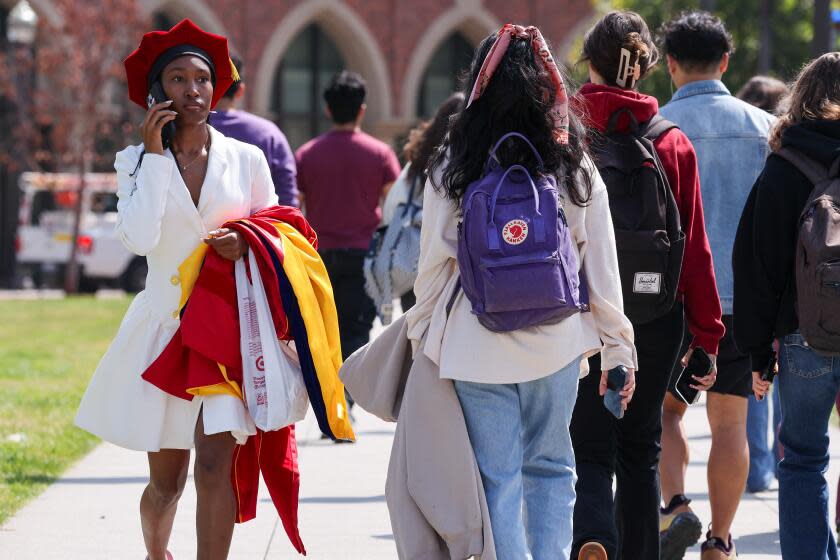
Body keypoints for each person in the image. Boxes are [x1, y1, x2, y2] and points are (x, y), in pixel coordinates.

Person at [409, 24, 638, 560]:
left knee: (497, 477)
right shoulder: (570, 160)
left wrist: (425, 338)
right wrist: (617, 348)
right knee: (554, 465)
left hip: (476, 343)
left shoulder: (453, 162)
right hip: (555, 341)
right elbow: (600, 262)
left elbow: (434, 264)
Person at [74, 19, 278, 560]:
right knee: (168, 482)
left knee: (217, 466)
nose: (193, 90)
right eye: (178, 79)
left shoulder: (247, 159)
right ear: (156, 92)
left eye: (203, 80)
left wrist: (246, 240)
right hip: (164, 333)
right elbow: (139, 239)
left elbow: (278, 232)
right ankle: (155, 552)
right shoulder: (134, 162)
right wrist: (157, 158)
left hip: (226, 333)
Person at [570, 12, 724, 560]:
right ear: (646, 68)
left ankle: (590, 537)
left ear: (589, 63)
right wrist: (706, 336)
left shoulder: (567, 138)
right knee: (640, 449)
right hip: (656, 316)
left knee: (587, 448)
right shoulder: (672, 144)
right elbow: (696, 250)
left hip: (582, 316)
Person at [657, 12, 775, 559]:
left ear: (669, 65)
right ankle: (722, 540)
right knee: (732, 422)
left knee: (667, 412)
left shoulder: (653, 129)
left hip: (672, 302)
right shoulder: (761, 128)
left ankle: (675, 505)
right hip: (742, 303)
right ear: (726, 61)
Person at [734, 51, 840, 560]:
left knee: (801, 458)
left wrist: (759, 353)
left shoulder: (783, 166)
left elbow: (757, 264)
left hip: (804, 335)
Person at [295, 71, 401, 368]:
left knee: (322, 330)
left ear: (328, 109)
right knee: (356, 333)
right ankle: (348, 402)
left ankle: (330, 400)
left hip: (320, 255)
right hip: (363, 254)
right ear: (362, 110)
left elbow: (294, 206)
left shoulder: (306, 153)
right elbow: (394, 204)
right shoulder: (381, 153)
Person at [735, 75, 788, 494]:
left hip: (759, 291)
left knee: (758, 384)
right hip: (807, 296)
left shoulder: (780, 160)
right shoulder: (772, 147)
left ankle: (759, 468)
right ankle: (778, 460)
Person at [378, 92, 464, 312]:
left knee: (417, 335)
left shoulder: (416, 166)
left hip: (414, 266)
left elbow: (392, 209)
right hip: (452, 270)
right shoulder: (463, 165)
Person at [210, 56, 298, 207]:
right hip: (256, 226)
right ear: (240, 91)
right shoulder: (269, 133)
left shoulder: (185, 129)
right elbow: (287, 197)